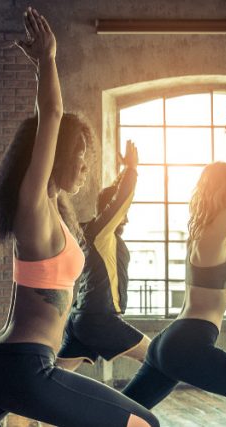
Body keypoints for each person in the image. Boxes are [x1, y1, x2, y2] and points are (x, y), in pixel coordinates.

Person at [0, 8, 157, 427]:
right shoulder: (33, 205)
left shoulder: (55, 211)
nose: (86, 168)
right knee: (146, 424)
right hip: (25, 367)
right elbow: (51, 116)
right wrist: (47, 61)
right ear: (55, 155)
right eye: (81, 157)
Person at [121, 99, 226, 427]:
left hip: (171, 343)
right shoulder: (213, 235)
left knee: (121, 414)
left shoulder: (207, 232)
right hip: (188, 343)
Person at [55, 140, 151, 371]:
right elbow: (119, 199)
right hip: (98, 319)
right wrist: (131, 170)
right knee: (157, 356)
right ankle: (127, 406)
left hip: (82, 318)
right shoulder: (99, 233)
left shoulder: (101, 235)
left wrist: (122, 174)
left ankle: (18, 407)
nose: (126, 216)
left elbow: (115, 198)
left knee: (53, 376)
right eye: (123, 213)